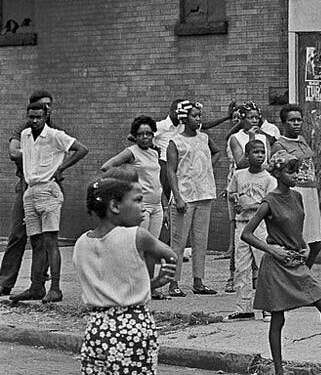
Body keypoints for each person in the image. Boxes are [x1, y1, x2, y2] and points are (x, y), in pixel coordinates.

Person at [73, 171, 178, 375]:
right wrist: (162, 275)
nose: (144, 207)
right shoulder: (137, 236)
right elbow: (170, 254)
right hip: (133, 329)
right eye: (138, 200)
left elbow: (115, 280)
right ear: (115, 206)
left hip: (97, 331)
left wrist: (149, 283)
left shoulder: (81, 243)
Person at [240, 153, 321, 375]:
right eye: (289, 171)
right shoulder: (269, 201)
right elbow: (246, 234)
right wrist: (272, 250)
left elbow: (297, 230)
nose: (295, 175)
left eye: (296, 170)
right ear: (277, 174)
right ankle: (278, 373)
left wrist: (306, 246)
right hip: (277, 265)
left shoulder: (297, 197)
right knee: (278, 318)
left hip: (296, 261)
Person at [10, 100, 89, 304]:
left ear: (45, 117)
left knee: (50, 241)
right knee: (35, 241)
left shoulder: (55, 135)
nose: (34, 121)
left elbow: (81, 149)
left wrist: (61, 168)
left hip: (48, 190)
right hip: (30, 191)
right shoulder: (25, 135)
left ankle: (55, 288)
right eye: (31, 117)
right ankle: (36, 287)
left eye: (38, 117)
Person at [101, 116, 167, 299]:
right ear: (134, 136)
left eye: (148, 133)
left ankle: (150, 287)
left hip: (157, 206)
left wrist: (164, 204)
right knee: (137, 247)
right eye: (140, 134)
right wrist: (125, 186)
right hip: (141, 206)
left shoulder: (155, 153)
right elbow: (107, 167)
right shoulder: (131, 152)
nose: (145, 137)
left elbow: (157, 181)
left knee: (152, 248)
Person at [1, 90, 54, 297]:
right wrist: (37, 152)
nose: (47, 109)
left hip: (48, 185)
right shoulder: (23, 130)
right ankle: (5, 281)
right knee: (16, 233)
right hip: (25, 185)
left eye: (49, 105)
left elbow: (70, 150)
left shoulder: (54, 131)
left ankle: (39, 283)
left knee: (44, 237)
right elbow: (13, 152)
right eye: (42, 105)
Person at [165, 101, 219, 297]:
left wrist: (206, 168)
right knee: (178, 242)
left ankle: (198, 281)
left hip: (204, 194)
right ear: (184, 119)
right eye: (195, 116)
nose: (199, 119)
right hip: (185, 197)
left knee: (200, 241)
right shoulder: (175, 141)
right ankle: (173, 283)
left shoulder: (204, 138)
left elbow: (217, 152)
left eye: (200, 116)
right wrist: (177, 197)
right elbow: (170, 170)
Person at [225, 102, 279, 291]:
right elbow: (241, 162)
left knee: (261, 238)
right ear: (242, 119)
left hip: (260, 187)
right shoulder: (235, 137)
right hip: (241, 185)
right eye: (250, 117)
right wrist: (251, 138)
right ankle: (234, 279)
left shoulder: (264, 138)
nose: (254, 120)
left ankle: (260, 280)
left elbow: (268, 162)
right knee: (239, 235)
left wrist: (260, 142)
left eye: (257, 117)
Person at [226, 140, 276, 320]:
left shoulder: (269, 179)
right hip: (241, 224)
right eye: (255, 152)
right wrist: (235, 198)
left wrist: (249, 207)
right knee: (241, 267)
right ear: (246, 156)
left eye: (262, 152)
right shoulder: (239, 175)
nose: (260, 155)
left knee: (264, 265)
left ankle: (268, 307)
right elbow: (230, 193)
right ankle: (243, 308)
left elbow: (269, 203)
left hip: (260, 226)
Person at [270, 104, 321, 268]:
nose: (296, 123)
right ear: (283, 123)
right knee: (296, 242)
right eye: (292, 120)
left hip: (310, 194)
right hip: (294, 193)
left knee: (315, 244)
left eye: (299, 120)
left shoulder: (302, 140)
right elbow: (276, 175)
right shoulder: (279, 145)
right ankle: (294, 276)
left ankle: (303, 275)